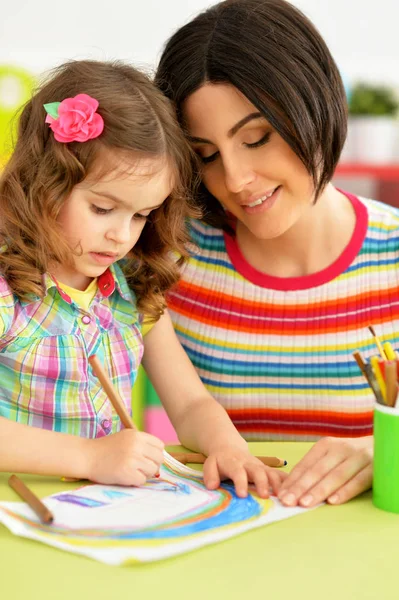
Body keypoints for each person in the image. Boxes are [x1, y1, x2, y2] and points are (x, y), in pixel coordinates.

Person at [0, 59, 286, 498]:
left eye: (141, 215)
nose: (120, 235)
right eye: (101, 208)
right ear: (45, 184)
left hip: (105, 513)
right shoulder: (8, 290)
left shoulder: (130, 286)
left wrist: (228, 447)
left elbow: (189, 402)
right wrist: (89, 458)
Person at [155, 0, 399, 507]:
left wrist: (386, 451)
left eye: (257, 138)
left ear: (316, 102)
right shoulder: (171, 257)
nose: (237, 180)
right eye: (207, 155)